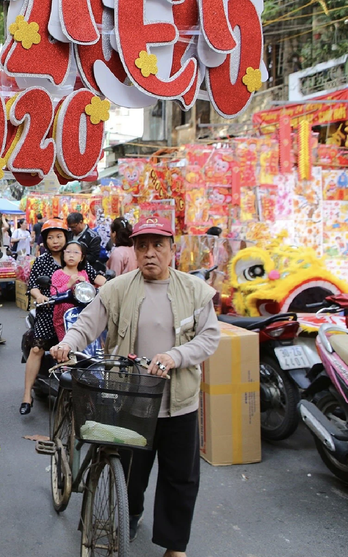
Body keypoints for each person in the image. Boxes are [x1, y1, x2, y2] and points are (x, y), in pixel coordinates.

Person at [51, 216, 220, 557]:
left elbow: (209, 337)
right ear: (134, 250)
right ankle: (129, 514)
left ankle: (175, 546)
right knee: (130, 471)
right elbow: (87, 324)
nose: (150, 253)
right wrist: (67, 343)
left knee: (179, 479)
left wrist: (176, 355)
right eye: (142, 246)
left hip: (179, 401)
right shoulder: (116, 289)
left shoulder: (195, 291)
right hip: (130, 399)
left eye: (158, 245)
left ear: (172, 250)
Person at [21, 220, 105, 415]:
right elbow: (33, 284)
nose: (55, 241)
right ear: (45, 241)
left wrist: (113, 286)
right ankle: (27, 394)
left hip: (80, 312)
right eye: (50, 238)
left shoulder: (77, 257)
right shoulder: (42, 261)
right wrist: (40, 296)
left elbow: (97, 278)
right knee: (36, 348)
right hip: (50, 311)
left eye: (59, 236)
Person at [50, 241, 105, 340]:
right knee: (65, 345)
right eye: (68, 252)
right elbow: (54, 293)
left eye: (76, 253)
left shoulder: (83, 273)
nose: (71, 255)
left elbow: (89, 293)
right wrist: (68, 284)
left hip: (81, 315)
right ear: (63, 255)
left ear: (82, 258)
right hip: (62, 317)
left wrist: (86, 283)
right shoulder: (58, 274)